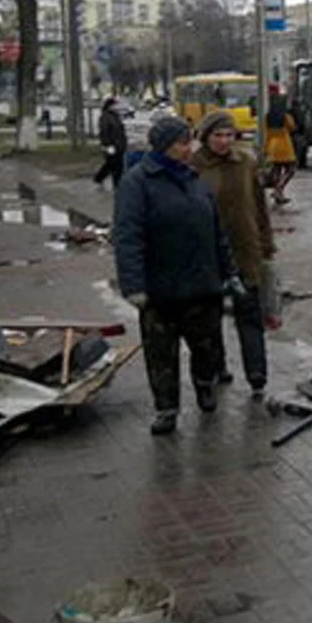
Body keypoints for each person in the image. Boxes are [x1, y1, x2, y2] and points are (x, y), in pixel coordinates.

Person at [114, 116, 240, 436]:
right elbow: (127, 236)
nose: (190, 148)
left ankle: (204, 386)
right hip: (160, 290)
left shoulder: (193, 178)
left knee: (206, 348)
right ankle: (166, 408)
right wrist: (133, 286)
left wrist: (229, 273)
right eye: (183, 143)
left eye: (190, 142)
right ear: (166, 147)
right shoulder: (137, 182)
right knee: (161, 354)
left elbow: (217, 232)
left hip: (202, 285)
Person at [191, 111, 275, 397]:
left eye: (229, 135)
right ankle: (217, 367)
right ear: (205, 137)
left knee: (249, 312)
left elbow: (259, 207)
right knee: (210, 316)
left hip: (245, 248)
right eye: (218, 135)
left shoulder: (246, 163)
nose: (224, 141)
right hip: (207, 252)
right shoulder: (193, 167)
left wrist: (266, 245)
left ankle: (257, 374)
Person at [263, 86, 297, 205]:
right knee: (291, 169)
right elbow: (292, 127)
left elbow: (266, 133)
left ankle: (278, 194)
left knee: (277, 168)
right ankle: (279, 189)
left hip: (272, 145)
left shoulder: (268, 117)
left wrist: (266, 149)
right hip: (284, 146)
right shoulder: (284, 116)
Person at [94, 97, 128, 190]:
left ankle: (111, 182)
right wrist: (108, 145)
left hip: (119, 145)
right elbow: (104, 132)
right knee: (112, 164)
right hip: (111, 146)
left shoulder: (115, 116)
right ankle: (113, 183)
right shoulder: (106, 117)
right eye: (115, 105)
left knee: (116, 165)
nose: (117, 107)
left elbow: (120, 131)